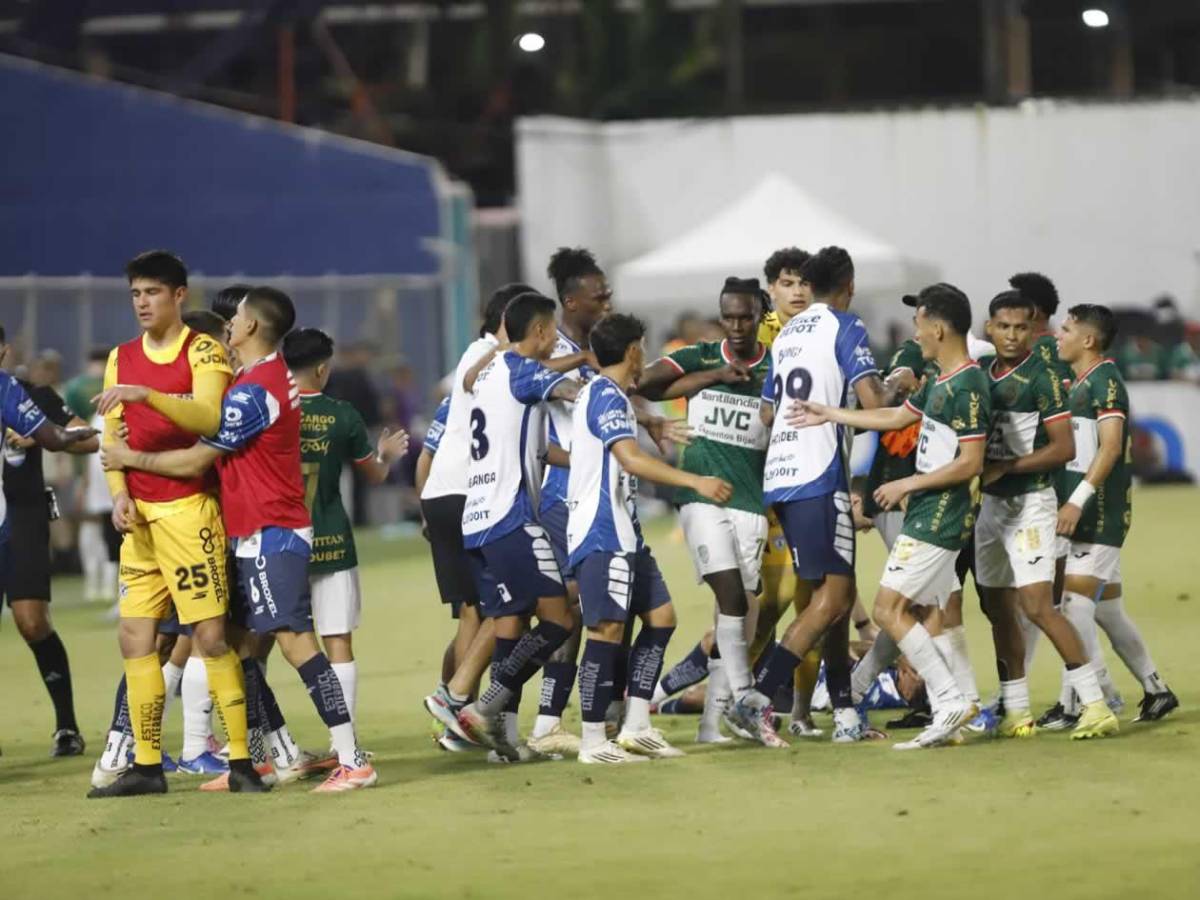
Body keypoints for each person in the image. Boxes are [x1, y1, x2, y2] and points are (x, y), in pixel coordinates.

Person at [104, 286, 374, 792]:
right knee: (238, 645)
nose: (230, 322)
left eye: (239, 316)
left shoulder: (256, 392)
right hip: (255, 534)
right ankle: (263, 757)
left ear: (250, 326)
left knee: (296, 643)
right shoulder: (260, 378)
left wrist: (131, 458)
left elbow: (195, 460)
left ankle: (353, 758)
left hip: (271, 533)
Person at [87, 250, 263, 798]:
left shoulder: (204, 349)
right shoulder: (120, 356)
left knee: (210, 638)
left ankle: (239, 763)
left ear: (179, 295)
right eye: (136, 293)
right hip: (139, 521)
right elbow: (112, 437)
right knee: (135, 638)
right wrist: (119, 495)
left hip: (190, 512)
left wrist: (150, 395)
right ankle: (145, 764)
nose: (142, 302)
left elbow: (209, 417)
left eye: (153, 292)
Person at [787, 282, 988, 749]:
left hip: (938, 514)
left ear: (938, 328)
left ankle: (949, 699)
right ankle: (956, 708)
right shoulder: (941, 379)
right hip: (930, 510)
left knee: (887, 609)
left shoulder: (969, 384)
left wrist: (906, 483)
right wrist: (829, 414)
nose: (915, 334)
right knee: (934, 608)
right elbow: (896, 417)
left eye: (919, 325)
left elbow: (971, 462)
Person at [728, 246, 892, 747]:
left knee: (831, 597)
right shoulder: (845, 325)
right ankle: (755, 701)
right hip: (819, 476)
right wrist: (903, 384)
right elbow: (875, 403)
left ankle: (844, 714)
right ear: (848, 285)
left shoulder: (786, 336)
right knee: (835, 598)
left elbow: (766, 415)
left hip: (782, 476)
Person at [569, 313, 733, 763]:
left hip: (625, 529)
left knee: (661, 617)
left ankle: (637, 724)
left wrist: (652, 424)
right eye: (642, 345)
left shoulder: (612, 395)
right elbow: (630, 460)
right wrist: (693, 481)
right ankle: (591, 741)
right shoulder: (603, 395)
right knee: (606, 631)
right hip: (601, 529)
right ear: (632, 350)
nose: (645, 353)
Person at [975, 289, 1117, 740]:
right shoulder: (980, 373)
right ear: (990, 328)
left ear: (1032, 327)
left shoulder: (1043, 377)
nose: (1013, 336)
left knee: (1038, 606)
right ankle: (1017, 710)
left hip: (1031, 505)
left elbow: (1064, 448)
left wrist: (1005, 468)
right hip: (991, 506)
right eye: (1004, 327)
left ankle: (1095, 704)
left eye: (1022, 327)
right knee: (997, 608)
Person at [445, 292, 581, 758]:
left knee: (513, 619)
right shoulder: (524, 370)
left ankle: (502, 737)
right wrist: (591, 382)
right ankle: (482, 708)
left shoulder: (492, 371)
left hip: (477, 520)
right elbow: (566, 391)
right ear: (542, 331)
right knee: (560, 619)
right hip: (512, 517)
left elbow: (470, 379)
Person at [637, 278, 771, 744]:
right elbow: (645, 382)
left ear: (759, 315)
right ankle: (746, 696)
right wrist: (713, 376)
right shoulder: (702, 356)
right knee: (732, 596)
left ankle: (713, 725)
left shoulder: (774, 368)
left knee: (733, 615)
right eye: (728, 316)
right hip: (700, 497)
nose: (735, 326)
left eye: (745, 317)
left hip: (750, 503)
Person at [1043, 305, 1177, 725]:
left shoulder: (1106, 381)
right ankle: (1156, 690)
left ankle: (1094, 696)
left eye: (1065, 329)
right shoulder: (1079, 381)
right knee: (1107, 612)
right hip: (1081, 515)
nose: (1057, 336)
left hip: (1099, 515)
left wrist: (1076, 499)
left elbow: (1112, 447)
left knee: (1072, 609)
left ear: (1088, 340)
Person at [421, 283, 536, 744]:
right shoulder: (489, 355)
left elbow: (432, 448)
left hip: (444, 494)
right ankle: (455, 705)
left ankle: (450, 716)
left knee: (472, 614)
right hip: (470, 495)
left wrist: (426, 509)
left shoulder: (474, 358)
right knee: (507, 607)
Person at [284, 327, 409, 722]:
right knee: (337, 638)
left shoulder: (270, 414)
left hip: (279, 542)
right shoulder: (342, 415)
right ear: (323, 369)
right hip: (331, 538)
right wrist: (386, 455)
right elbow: (374, 475)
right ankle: (345, 741)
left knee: (268, 643)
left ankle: (267, 743)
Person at [527, 248, 612, 756]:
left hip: (591, 497)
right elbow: (542, 429)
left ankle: (540, 719)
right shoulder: (547, 349)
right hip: (558, 499)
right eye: (598, 296)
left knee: (580, 610)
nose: (606, 302)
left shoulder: (596, 347)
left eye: (608, 295)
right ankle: (486, 708)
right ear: (570, 301)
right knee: (573, 611)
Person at [0, 329, 98, 757]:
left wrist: (42, 433)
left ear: (3, 351)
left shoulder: (29, 395)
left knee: (32, 622)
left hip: (23, 516)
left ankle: (66, 726)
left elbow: (87, 439)